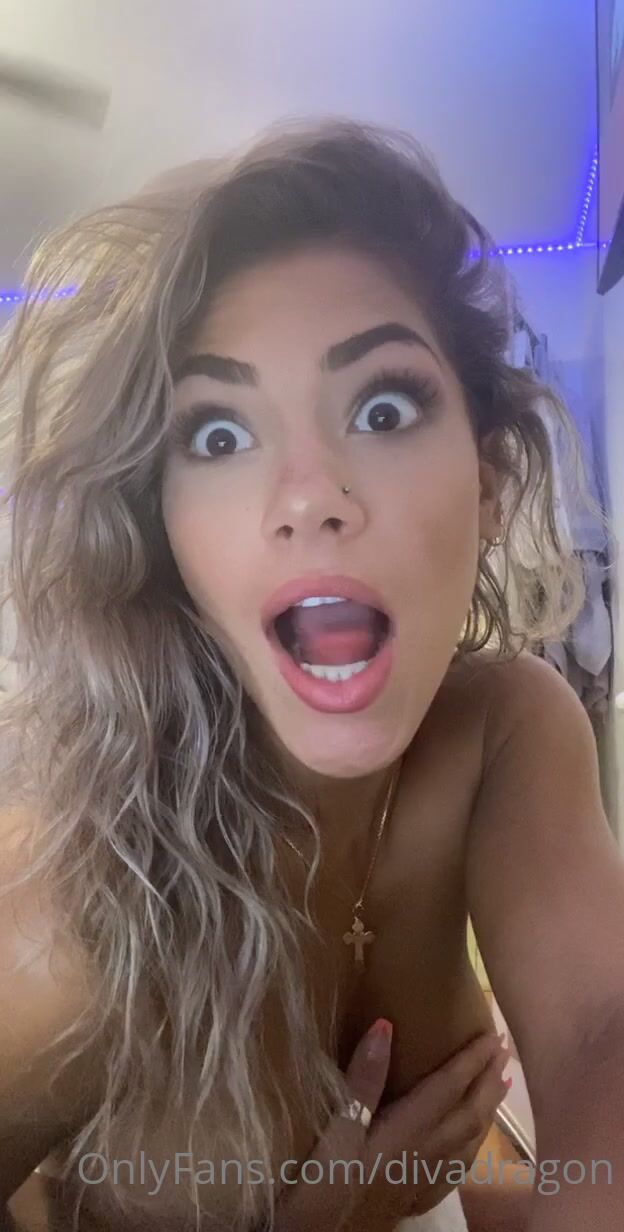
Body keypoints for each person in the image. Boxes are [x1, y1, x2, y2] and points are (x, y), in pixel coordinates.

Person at [0, 116, 622, 1232]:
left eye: (382, 408)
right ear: (166, 534)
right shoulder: (83, 900)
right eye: (218, 434)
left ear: (488, 485)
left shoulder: (502, 732)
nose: (308, 493)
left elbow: (599, 1036)